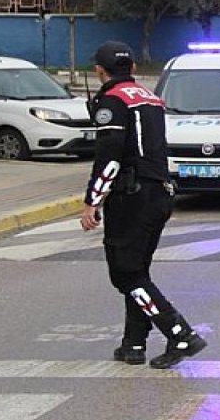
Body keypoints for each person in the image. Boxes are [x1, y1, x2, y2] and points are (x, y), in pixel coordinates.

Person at [81, 41, 206, 369]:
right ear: (133, 68)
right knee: (137, 270)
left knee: (125, 274)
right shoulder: (150, 97)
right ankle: (133, 343)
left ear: (99, 70)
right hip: (159, 192)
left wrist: (91, 202)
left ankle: (179, 333)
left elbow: (108, 156)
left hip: (131, 196)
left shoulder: (112, 101)